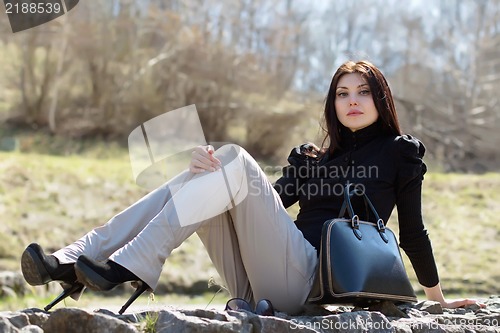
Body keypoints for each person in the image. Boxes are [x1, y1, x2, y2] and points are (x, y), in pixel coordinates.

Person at [21, 60, 480, 315]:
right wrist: (209, 171)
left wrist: (436, 299)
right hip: (260, 277)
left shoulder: (398, 152)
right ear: (332, 103)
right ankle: (74, 259)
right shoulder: (311, 158)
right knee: (210, 171)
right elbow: (266, 208)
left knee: (234, 158)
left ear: (380, 99)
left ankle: (126, 263)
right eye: (342, 92)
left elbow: (414, 231)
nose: (352, 100)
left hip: (313, 282)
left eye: (362, 91)